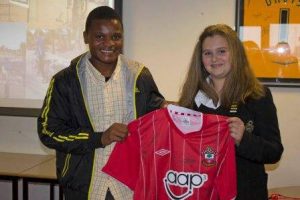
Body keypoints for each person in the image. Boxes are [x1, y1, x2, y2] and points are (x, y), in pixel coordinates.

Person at [37, 6, 165, 200]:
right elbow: (48, 132)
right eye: (99, 37)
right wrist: (99, 138)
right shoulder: (65, 81)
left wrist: (175, 112)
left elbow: (157, 121)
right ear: (85, 37)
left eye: (116, 36)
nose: (109, 43)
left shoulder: (139, 75)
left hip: (130, 187)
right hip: (84, 187)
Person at [178, 24, 284, 200]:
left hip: (246, 194)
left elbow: (274, 152)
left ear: (235, 54)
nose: (214, 59)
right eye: (207, 53)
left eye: (221, 51)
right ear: (201, 59)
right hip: (201, 193)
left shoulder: (257, 96)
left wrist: (244, 139)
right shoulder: (191, 99)